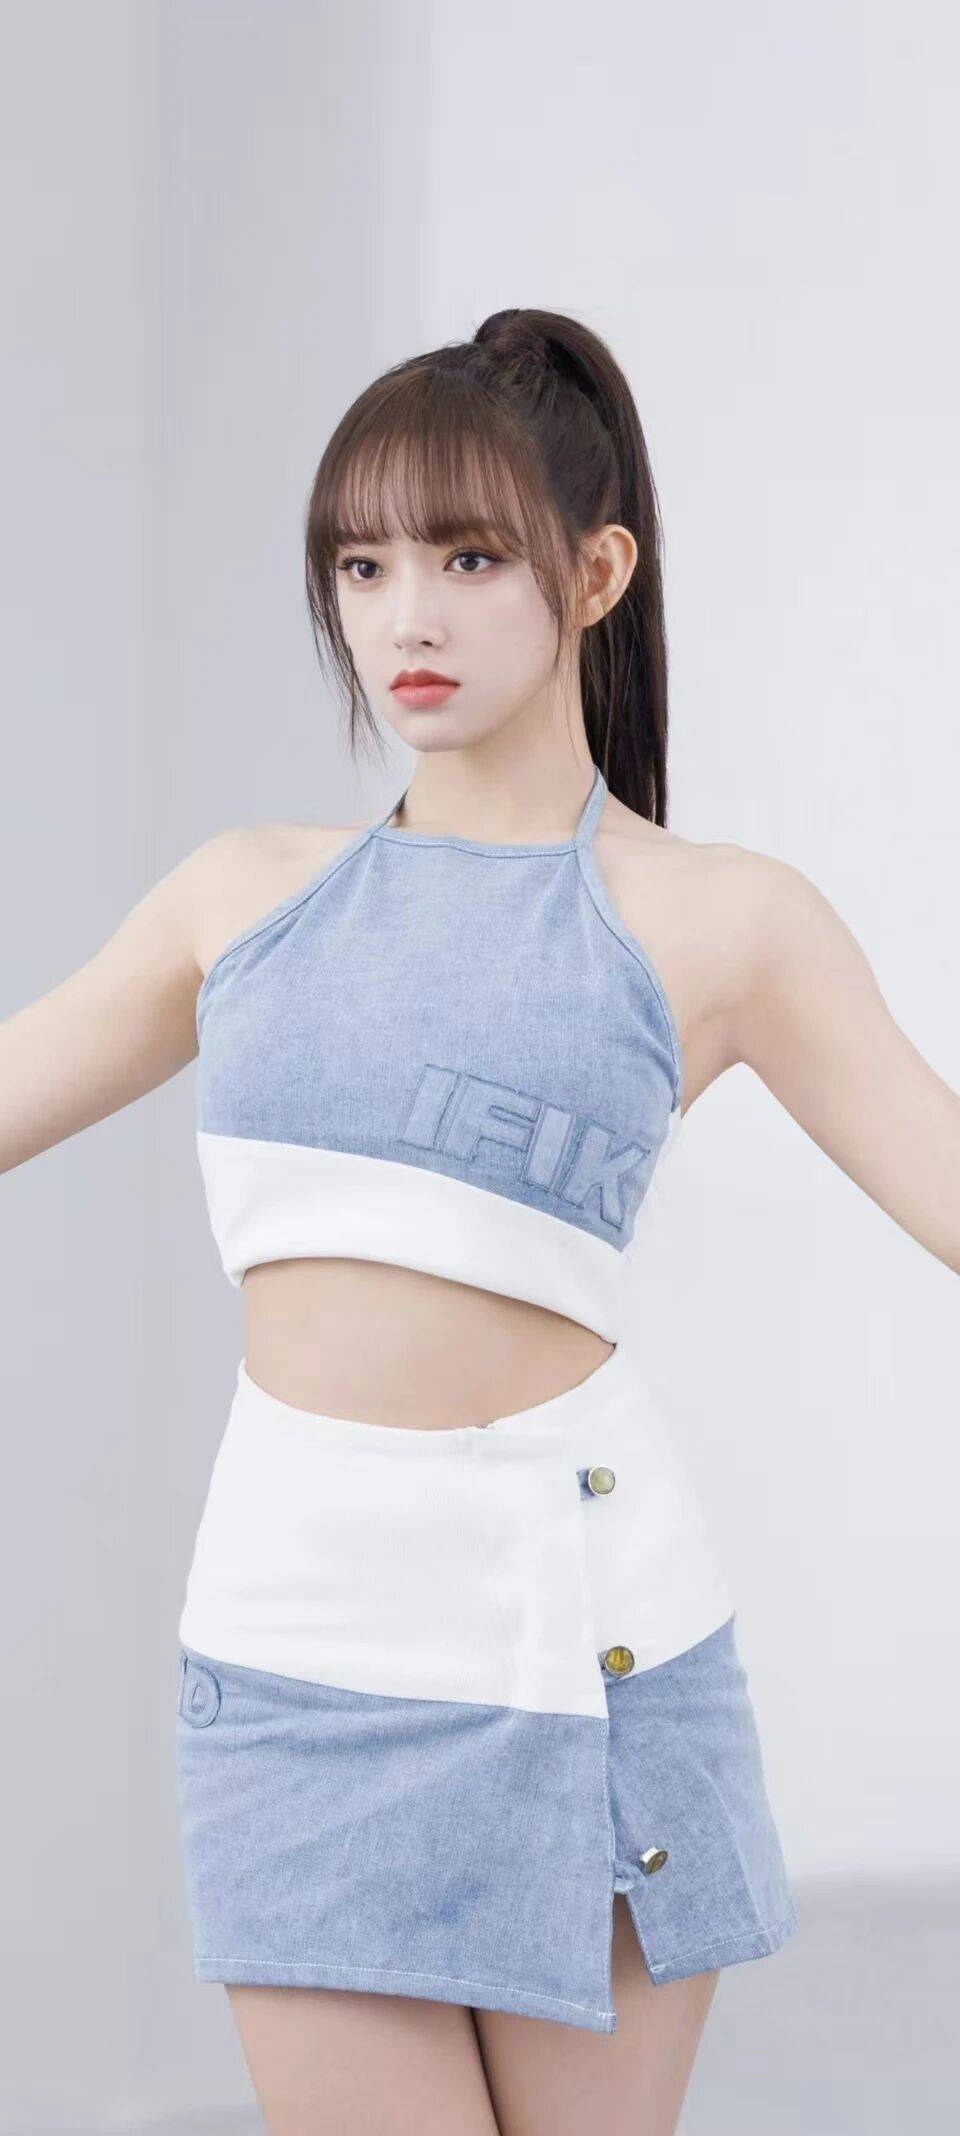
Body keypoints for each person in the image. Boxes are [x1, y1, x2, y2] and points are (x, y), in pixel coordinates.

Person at [4, 306, 957, 2136]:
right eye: (361, 566)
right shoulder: (243, 897)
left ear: (595, 574)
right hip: (298, 1661)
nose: (403, 619)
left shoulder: (724, 919)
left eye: (465, 557)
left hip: (596, 1658)